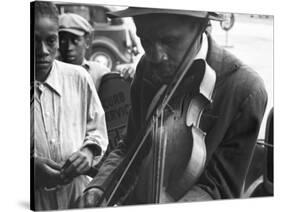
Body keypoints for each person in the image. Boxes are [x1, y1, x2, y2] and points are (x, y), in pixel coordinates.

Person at [75, 7, 268, 207]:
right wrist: (98, 188)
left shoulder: (245, 89)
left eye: (170, 41)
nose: (155, 56)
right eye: (145, 41)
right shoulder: (146, 67)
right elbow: (130, 145)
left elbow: (218, 189)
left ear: (202, 27)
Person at [31, 1, 108, 210]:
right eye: (33, 41)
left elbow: (97, 130)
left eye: (51, 41)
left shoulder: (79, 78)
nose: (43, 51)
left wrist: (88, 153)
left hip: (78, 197)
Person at [58, 13, 110, 90]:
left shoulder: (99, 73)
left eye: (75, 40)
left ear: (87, 41)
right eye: (63, 40)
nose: (69, 47)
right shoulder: (50, 73)